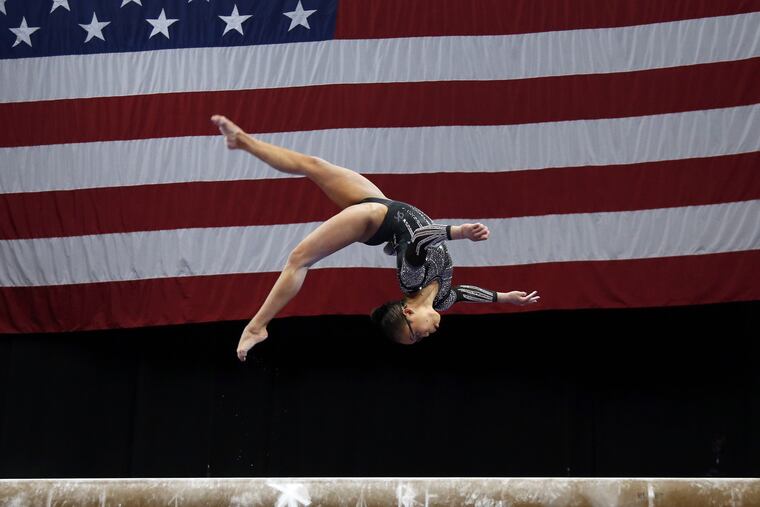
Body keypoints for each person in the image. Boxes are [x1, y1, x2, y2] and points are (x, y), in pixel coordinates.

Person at [210, 115, 540, 361]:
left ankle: (257, 326)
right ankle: (243, 141)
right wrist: (504, 298)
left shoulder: (411, 280)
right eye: (419, 339)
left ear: (409, 314)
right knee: (313, 165)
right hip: (384, 203)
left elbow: (422, 238)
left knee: (299, 259)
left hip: (375, 219)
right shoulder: (441, 300)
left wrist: (459, 233)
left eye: (416, 336)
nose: (426, 335)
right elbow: (466, 294)